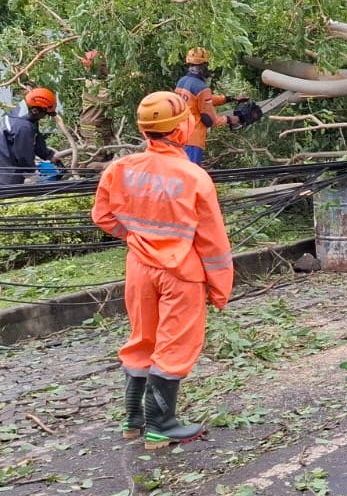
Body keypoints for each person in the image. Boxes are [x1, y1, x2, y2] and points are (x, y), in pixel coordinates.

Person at [92, 91, 234, 449]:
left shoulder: (120, 169)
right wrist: (220, 289)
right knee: (175, 345)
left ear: (145, 131)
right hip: (180, 273)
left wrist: (138, 237)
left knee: (143, 339)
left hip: (139, 267)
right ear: (180, 130)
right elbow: (212, 242)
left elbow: (103, 217)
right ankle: (161, 424)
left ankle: (133, 420)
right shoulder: (193, 177)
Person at [174, 47, 244, 166]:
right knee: (191, 177)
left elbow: (201, 101)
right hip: (193, 140)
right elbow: (210, 120)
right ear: (203, 65)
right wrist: (231, 119)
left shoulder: (182, 82)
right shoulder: (201, 87)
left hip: (177, 137)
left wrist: (229, 98)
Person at [0, 87, 61, 186]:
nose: (45, 116)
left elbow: (36, 139)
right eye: (45, 113)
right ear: (35, 110)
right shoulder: (23, 126)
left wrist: (49, 155)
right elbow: (24, 154)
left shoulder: (26, 115)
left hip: (9, 162)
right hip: (5, 171)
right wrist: (31, 174)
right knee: (12, 193)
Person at [79, 50, 116, 155]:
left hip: (101, 127)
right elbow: (109, 101)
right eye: (103, 65)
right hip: (93, 130)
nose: (106, 69)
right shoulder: (91, 84)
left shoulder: (100, 82)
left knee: (106, 154)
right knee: (97, 156)